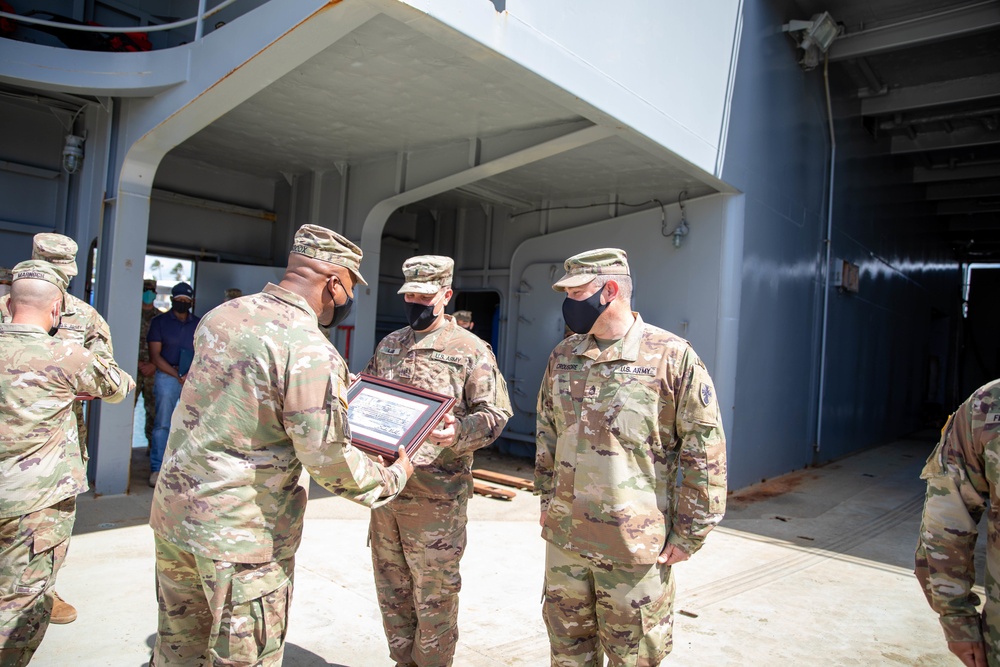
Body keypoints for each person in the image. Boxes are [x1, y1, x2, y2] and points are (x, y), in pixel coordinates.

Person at [148, 224, 414, 666]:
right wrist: (392, 476)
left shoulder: (222, 315)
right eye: (349, 287)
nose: (347, 299)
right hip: (240, 538)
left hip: (177, 517)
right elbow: (326, 457)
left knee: (178, 650)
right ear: (333, 283)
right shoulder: (309, 348)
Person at [535, 248, 727, 666]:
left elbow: (704, 449)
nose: (569, 302)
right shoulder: (564, 356)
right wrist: (546, 500)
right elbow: (548, 433)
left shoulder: (671, 357)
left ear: (611, 290)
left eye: (577, 291)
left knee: (634, 658)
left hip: (633, 550)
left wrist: (691, 533)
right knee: (567, 657)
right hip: (566, 543)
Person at [363, 255, 512, 667]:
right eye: (409, 294)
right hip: (387, 493)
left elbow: (495, 414)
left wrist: (458, 434)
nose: (414, 302)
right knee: (391, 588)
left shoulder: (470, 349)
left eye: (424, 295)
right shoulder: (391, 344)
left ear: (445, 295)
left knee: (434, 594)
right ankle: (401, 660)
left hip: (437, 502)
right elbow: (369, 397)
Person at [0, 261, 133, 665]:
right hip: (36, 505)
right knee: (21, 607)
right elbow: (118, 387)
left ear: (8, 305)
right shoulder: (68, 355)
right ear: (57, 309)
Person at [915, 379, 1000, 667]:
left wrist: (957, 619)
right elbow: (947, 521)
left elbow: (945, 520)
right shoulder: (989, 405)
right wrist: (957, 619)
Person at [146, 281, 199, 487]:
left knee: (191, 425)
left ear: (191, 302)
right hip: (167, 377)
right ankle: (157, 468)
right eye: (179, 300)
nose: (182, 304)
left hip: (190, 378)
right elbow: (155, 356)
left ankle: (187, 468)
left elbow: (203, 351)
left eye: (186, 301)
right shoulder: (160, 322)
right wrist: (177, 374)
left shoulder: (198, 323)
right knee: (162, 424)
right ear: (172, 300)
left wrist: (187, 375)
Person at [136, 278, 162, 447]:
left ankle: (151, 448)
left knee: (153, 411)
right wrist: (137, 363)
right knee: (123, 408)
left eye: (151, 290)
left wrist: (154, 364)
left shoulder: (160, 318)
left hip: (154, 370)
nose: (148, 293)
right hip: (133, 368)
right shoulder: (131, 314)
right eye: (145, 289)